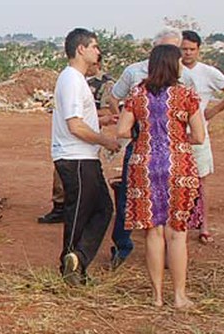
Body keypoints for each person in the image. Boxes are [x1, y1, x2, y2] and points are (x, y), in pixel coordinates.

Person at [116, 44, 205, 308]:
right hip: (178, 164)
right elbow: (199, 136)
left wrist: (145, 137)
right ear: (174, 64)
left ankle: (156, 296)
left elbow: (122, 130)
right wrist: (177, 139)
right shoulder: (186, 95)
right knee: (177, 232)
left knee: (152, 233)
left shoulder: (137, 94)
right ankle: (179, 296)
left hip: (144, 165)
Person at [107, 27, 184, 269]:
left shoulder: (183, 79)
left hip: (159, 149)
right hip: (150, 147)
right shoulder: (134, 73)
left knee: (167, 206)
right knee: (131, 198)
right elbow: (114, 97)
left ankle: (170, 253)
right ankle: (123, 246)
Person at [52, 28, 120, 285]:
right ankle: (71, 265)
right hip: (76, 157)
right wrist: (107, 141)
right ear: (81, 49)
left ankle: (77, 258)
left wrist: (102, 119)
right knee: (79, 212)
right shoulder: (71, 79)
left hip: (83, 157)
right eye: (94, 46)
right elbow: (75, 126)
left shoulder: (76, 79)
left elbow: (81, 120)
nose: (97, 51)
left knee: (103, 209)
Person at [180, 30, 224, 244]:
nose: (187, 53)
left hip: (197, 135)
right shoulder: (171, 71)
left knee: (201, 181)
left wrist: (213, 111)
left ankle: (203, 225)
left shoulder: (208, 72)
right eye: (184, 49)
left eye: (191, 49)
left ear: (198, 50)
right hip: (174, 136)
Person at [38, 56, 115, 224]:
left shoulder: (104, 83)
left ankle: (76, 245)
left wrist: (96, 120)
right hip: (76, 143)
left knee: (89, 204)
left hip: (84, 142)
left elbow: (105, 110)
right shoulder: (73, 79)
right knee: (82, 198)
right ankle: (61, 210)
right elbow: (74, 123)